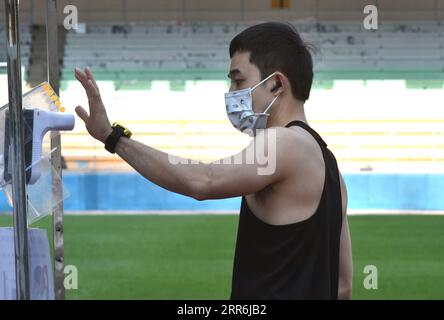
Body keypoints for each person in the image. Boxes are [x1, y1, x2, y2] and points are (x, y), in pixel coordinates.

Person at [74, 21, 353, 300]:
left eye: (238, 80)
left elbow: (203, 181)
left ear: (277, 84)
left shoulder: (282, 142)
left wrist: (112, 137)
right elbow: (343, 286)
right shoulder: (331, 168)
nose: (231, 92)